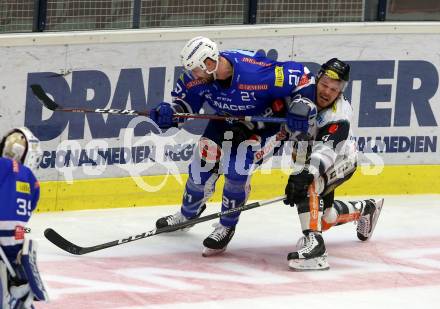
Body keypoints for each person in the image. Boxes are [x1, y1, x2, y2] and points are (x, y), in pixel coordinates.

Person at [150, 36, 317, 257]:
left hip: (263, 127)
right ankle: (187, 213)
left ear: (209, 64)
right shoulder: (199, 79)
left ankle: (226, 226)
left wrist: (301, 105)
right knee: (201, 167)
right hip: (226, 122)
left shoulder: (255, 72)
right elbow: (185, 106)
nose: (194, 76)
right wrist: (169, 114)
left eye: (197, 70)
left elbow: (303, 76)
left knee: (236, 170)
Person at [284, 58, 384, 271]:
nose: (327, 92)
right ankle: (366, 209)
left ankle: (316, 249)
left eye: (334, 89)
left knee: (309, 185)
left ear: (340, 91)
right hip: (308, 156)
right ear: (317, 79)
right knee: (325, 218)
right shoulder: (300, 90)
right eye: (324, 85)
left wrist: (304, 174)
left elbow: (326, 153)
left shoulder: (339, 115)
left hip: (341, 160)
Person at [0, 127, 48, 308]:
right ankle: (17, 295)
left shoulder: (3, 166)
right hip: (15, 245)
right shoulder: (34, 183)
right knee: (17, 283)